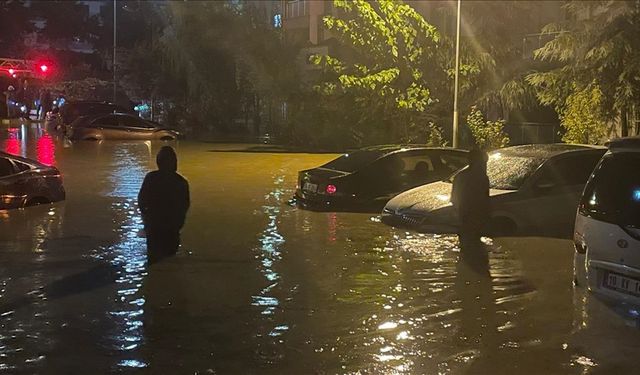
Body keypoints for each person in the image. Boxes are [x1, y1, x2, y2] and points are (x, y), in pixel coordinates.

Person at [138, 146, 190, 264]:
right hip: (171, 227)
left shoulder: (151, 178)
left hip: (154, 226)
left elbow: (142, 201)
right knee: (170, 260)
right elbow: (185, 205)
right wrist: (178, 223)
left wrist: (146, 219)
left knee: (153, 260)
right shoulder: (181, 182)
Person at [451, 148, 490, 243]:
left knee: (467, 244)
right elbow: (484, 198)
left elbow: (454, 198)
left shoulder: (460, 176)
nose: (485, 165)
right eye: (484, 162)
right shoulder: (481, 177)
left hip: (465, 216)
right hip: (473, 216)